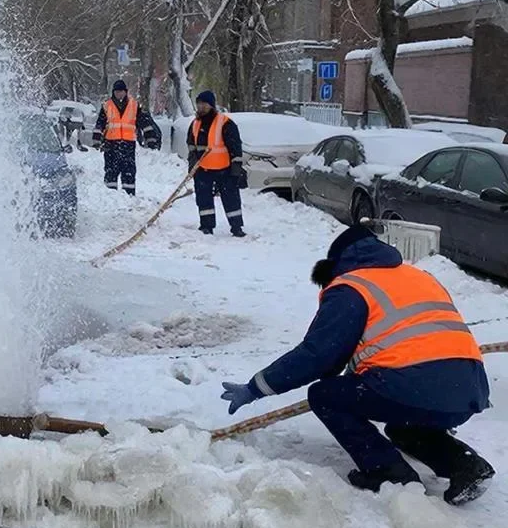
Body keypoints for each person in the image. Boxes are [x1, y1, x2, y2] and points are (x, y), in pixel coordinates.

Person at [220, 224, 495, 504]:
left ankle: (389, 474)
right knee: (402, 426)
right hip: (469, 388)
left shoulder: (352, 286)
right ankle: (467, 465)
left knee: (325, 396)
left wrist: (256, 387)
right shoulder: (419, 276)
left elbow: (318, 356)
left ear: (338, 262)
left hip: (415, 387)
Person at [186, 91, 246, 237]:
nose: (201, 107)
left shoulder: (225, 123)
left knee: (231, 199)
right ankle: (206, 226)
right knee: (203, 199)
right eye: (199, 104)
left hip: (224, 169)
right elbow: (191, 147)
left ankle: (236, 227)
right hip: (203, 170)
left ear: (211, 105)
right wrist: (192, 165)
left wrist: (236, 169)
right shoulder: (195, 124)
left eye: (204, 104)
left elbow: (235, 147)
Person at [92, 80, 160, 194]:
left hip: (128, 145)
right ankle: (110, 195)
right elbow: (100, 124)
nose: (119, 94)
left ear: (125, 92)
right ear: (113, 92)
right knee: (111, 171)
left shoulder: (134, 106)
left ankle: (129, 195)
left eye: (121, 91)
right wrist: (96, 140)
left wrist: (151, 139)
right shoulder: (107, 106)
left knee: (129, 172)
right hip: (111, 145)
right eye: (117, 91)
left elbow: (144, 123)